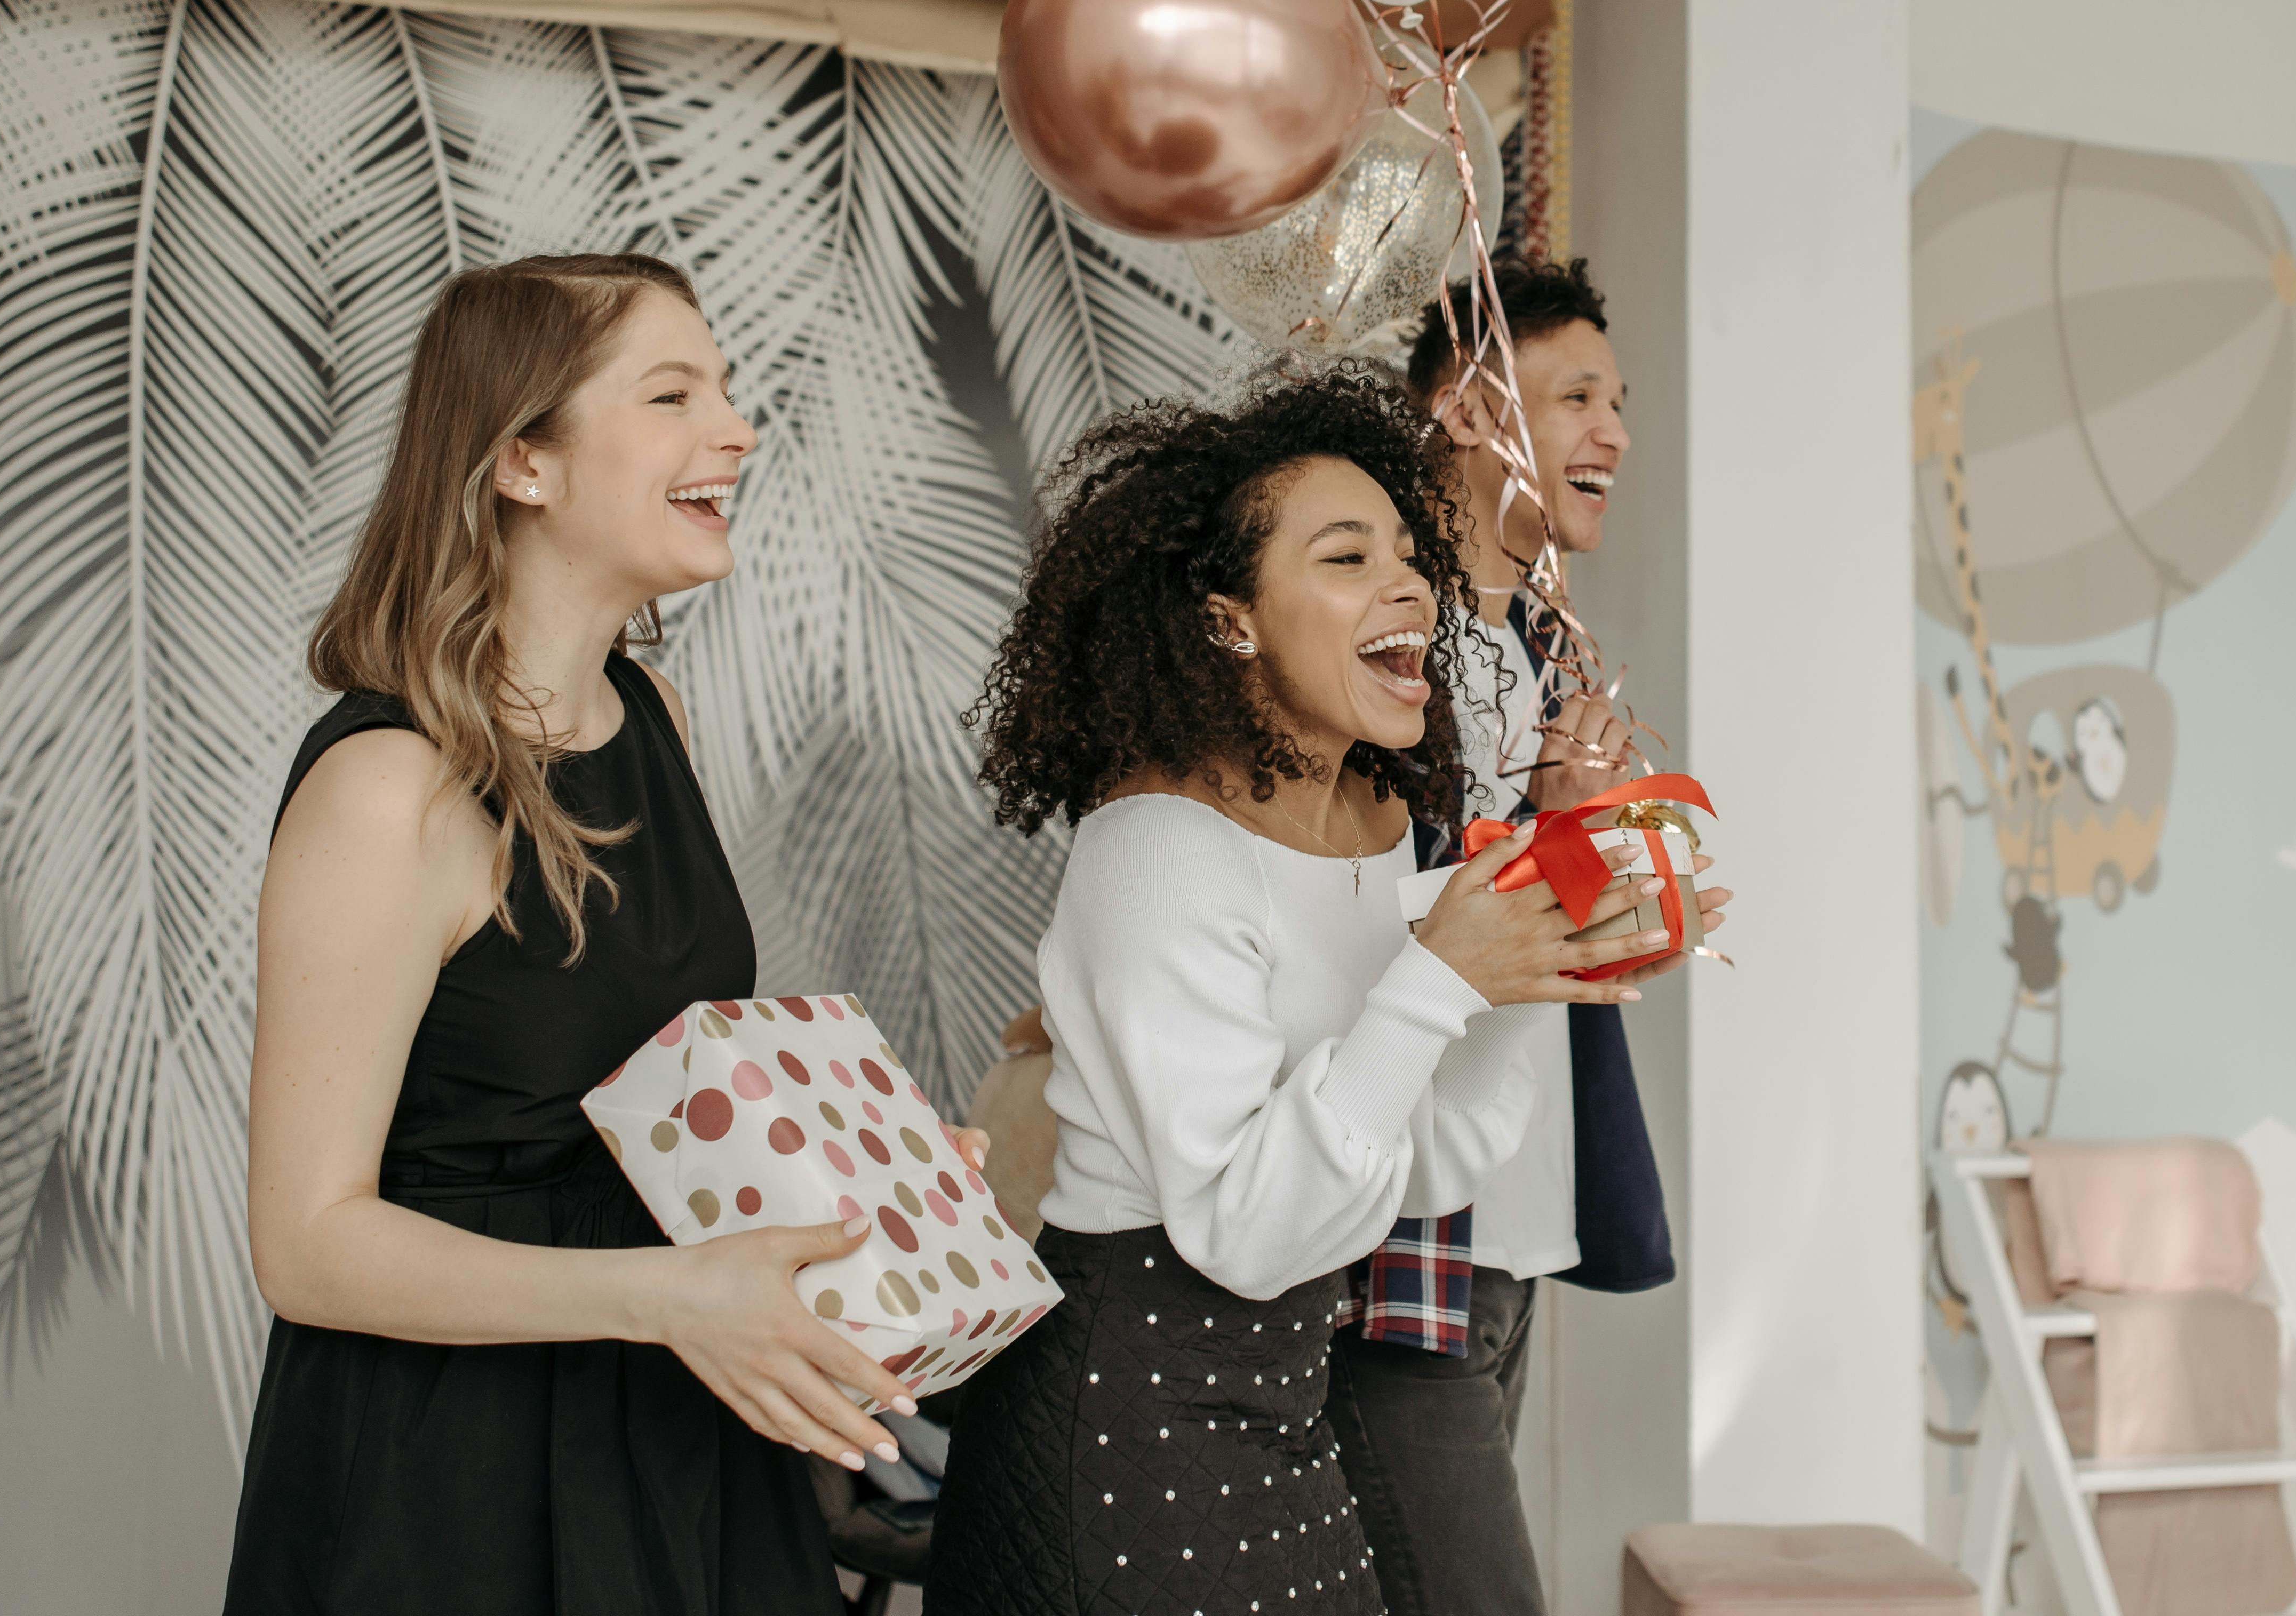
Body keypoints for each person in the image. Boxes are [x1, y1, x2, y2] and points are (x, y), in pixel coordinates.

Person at [228, 254, 962, 1616]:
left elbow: (647, 1110)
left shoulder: (654, 724)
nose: (733, 430)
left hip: (678, 1430)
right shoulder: (388, 790)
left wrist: (879, 1185)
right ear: (522, 461)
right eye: (673, 393)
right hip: (452, 1479)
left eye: (727, 391)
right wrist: (666, 1299)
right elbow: (307, 1245)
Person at [923, 364, 1722, 1616]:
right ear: (1228, 618)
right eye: (1345, 558)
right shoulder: (1152, 848)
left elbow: (1428, 1160)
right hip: (1124, 1426)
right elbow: (1247, 1231)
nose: (1408, 583)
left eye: (1408, 553)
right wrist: (1444, 973)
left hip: (1284, 1415)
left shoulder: (1384, 823)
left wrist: (1542, 950)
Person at [1323, 257, 1673, 1616]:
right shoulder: (1383, 642)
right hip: (1406, 1229)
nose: (1615, 433)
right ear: (1470, 411)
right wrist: (1553, 832)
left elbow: (1550, 926)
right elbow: (1353, 921)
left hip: (1513, 1218)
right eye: (1576, 394)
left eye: (1617, 398)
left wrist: (1604, 856)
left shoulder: (1544, 642)